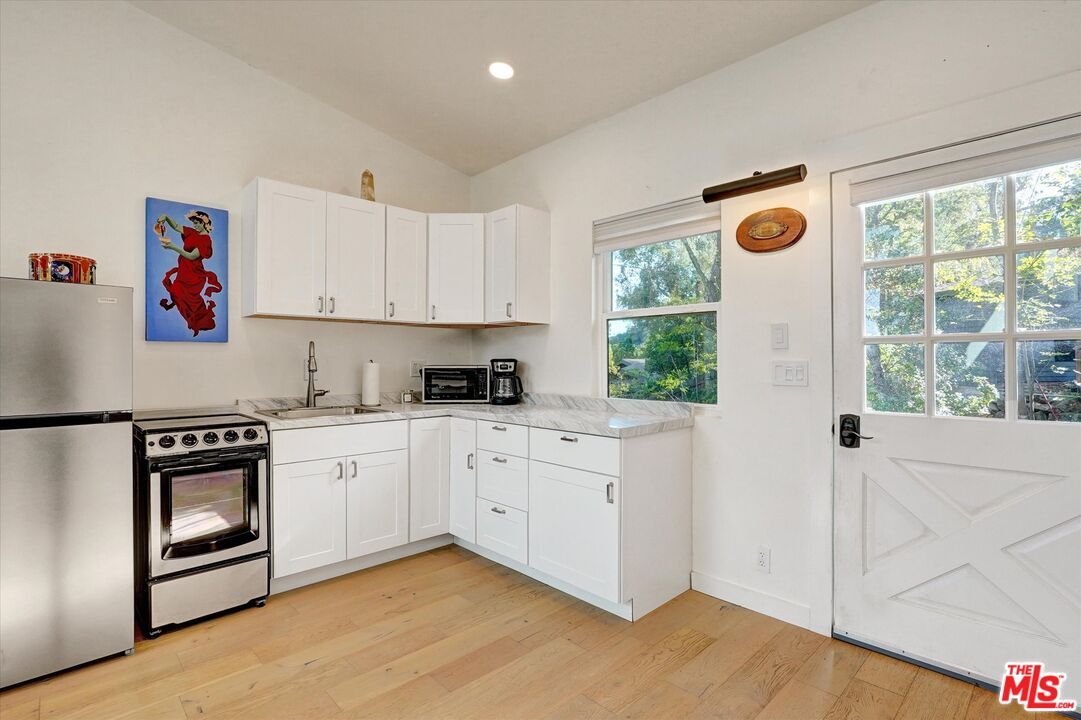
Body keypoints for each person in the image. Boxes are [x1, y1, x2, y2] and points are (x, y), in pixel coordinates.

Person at [156, 209, 222, 337]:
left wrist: (172, 247)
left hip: (194, 273)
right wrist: (166, 216)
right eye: (194, 223)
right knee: (177, 291)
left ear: (204, 223)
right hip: (184, 269)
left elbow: (192, 256)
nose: (195, 225)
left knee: (189, 298)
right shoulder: (191, 232)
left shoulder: (206, 240)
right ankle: (195, 319)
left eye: (198, 223)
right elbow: (175, 226)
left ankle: (199, 321)